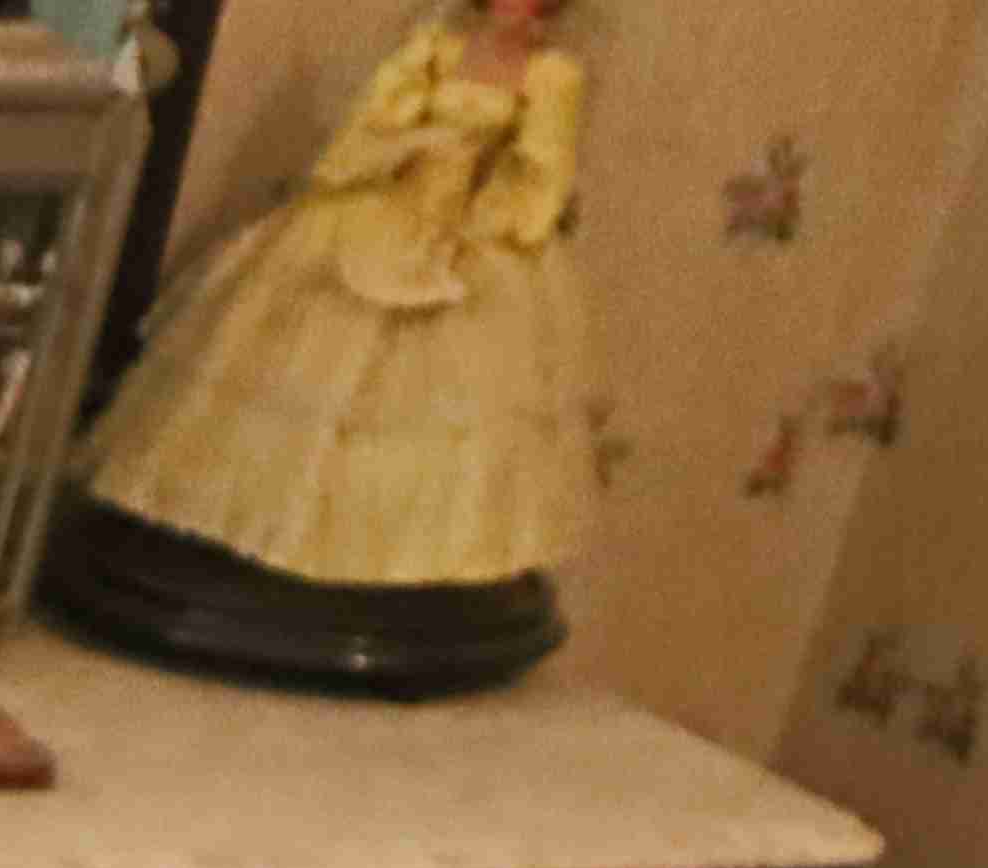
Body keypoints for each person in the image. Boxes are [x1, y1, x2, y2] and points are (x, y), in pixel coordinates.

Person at [78, 0, 598, 590]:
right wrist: (397, 148)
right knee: (298, 352)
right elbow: (374, 120)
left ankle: (373, 561)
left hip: (465, 228)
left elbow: (542, 169)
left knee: (428, 393)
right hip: (389, 201)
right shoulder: (437, 46)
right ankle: (250, 520)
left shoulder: (552, 73)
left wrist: (489, 221)